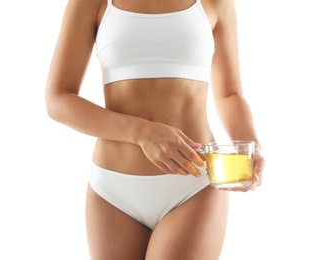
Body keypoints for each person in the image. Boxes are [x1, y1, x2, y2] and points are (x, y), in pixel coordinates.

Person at [45, 0, 265, 258]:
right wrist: (141, 132)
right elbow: (58, 99)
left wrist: (253, 145)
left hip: (193, 186)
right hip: (113, 191)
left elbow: (230, 94)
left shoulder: (216, 3)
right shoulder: (92, 3)